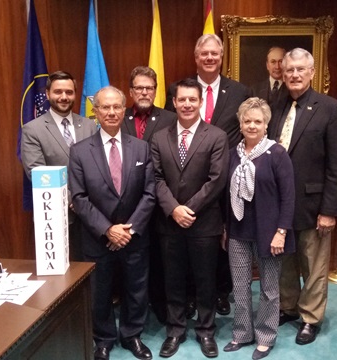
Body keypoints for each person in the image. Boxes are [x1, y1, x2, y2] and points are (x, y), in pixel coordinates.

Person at [164, 33, 250, 317]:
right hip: (185, 180)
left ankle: (220, 292)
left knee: (224, 236)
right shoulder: (180, 90)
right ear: (196, 57)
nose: (210, 58)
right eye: (204, 54)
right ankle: (190, 296)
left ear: (222, 57)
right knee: (187, 240)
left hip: (226, 179)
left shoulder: (239, 91)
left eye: (215, 53)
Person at [266, 48, 337, 345]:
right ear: (282, 73)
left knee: (313, 265)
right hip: (280, 204)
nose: (295, 75)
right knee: (285, 259)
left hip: (315, 206)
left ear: (312, 73)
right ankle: (288, 307)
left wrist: (329, 210)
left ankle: (310, 317)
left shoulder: (331, 108)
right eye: (289, 70)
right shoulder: (275, 105)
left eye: (301, 69)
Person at [69, 86, 156, 360]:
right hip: (98, 237)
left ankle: (132, 335)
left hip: (134, 236)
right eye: (105, 107)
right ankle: (103, 339)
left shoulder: (141, 147)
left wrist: (128, 229)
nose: (111, 112)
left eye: (116, 106)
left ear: (124, 109)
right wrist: (107, 229)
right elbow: (79, 197)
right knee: (100, 291)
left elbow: (150, 193)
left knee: (136, 288)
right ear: (95, 112)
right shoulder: (80, 151)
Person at [151, 78, 229, 358]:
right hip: (169, 223)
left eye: (192, 100)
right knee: (172, 279)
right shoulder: (159, 137)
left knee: (205, 280)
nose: (186, 104)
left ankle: (206, 331)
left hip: (204, 223)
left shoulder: (217, 136)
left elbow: (217, 179)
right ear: (174, 102)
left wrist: (189, 209)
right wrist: (173, 209)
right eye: (181, 99)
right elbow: (156, 178)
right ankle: (175, 330)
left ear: (201, 102)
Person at [222, 97, 295, 360]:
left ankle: (265, 337)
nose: (252, 125)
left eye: (258, 121)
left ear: (266, 125)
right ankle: (242, 333)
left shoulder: (277, 154)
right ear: (240, 124)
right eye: (247, 121)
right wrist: (226, 229)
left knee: (268, 289)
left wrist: (282, 231)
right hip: (238, 232)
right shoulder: (233, 154)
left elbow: (288, 196)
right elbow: (225, 197)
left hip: (269, 233)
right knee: (240, 286)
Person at [21, 71, 98, 261]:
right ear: (48, 94)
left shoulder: (89, 125)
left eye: (69, 92)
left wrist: (85, 201)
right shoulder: (33, 129)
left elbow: (98, 167)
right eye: (58, 92)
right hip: (56, 214)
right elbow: (36, 172)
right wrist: (74, 199)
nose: (64, 97)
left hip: (91, 213)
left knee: (91, 269)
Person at [121, 66, 176, 324]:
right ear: (130, 91)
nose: (144, 92)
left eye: (149, 88)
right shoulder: (119, 118)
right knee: (132, 262)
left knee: (162, 260)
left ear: (156, 91)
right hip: (128, 205)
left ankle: (163, 306)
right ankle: (133, 311)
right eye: (139, 88)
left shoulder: (170, 118)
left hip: (160, 205)